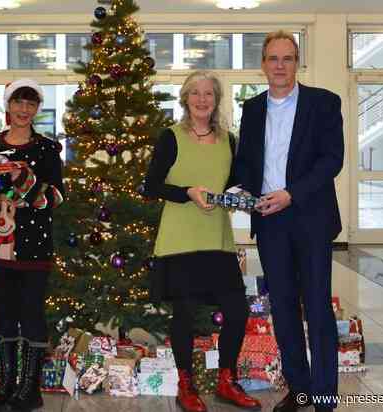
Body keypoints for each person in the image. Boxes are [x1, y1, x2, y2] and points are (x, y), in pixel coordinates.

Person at [234, 30, 344, 412]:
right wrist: (244, 191)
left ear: (297, 63)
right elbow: (247, 162)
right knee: (282, 307)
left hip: (310, 216)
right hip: (269, 222)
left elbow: (332, 159)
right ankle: (299, 390)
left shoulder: (324, 103)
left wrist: (291, 193)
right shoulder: (251, 108)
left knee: (316, 305)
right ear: (263, 64)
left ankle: (325, 395)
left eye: (287, 58)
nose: (279, 66)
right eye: (272, 59)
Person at [144, 71, 261, 412]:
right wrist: (188, 193)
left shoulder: (229, 140)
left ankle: (226, 380)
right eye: (195, 93)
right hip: (179, 239)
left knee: (237, 311)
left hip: (218, 239)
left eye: (208, 93)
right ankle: (186, 385)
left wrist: (239, 196)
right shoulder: (171, 137)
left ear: (216, 99)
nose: (201, 99)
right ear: (185, 99)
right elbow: (150, 186)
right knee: (184, 315)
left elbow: (237, 184)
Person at [0, 78, 65, 412]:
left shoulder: (48, 149)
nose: (24, 109)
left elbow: (55, 198)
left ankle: (30, 389)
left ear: (37, 108)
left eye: (31, 103)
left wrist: (24, 180)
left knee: (32, 315)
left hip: (34, 246)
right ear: (7, 106)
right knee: (4, 316)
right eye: (18, 102)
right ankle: (6, 386)